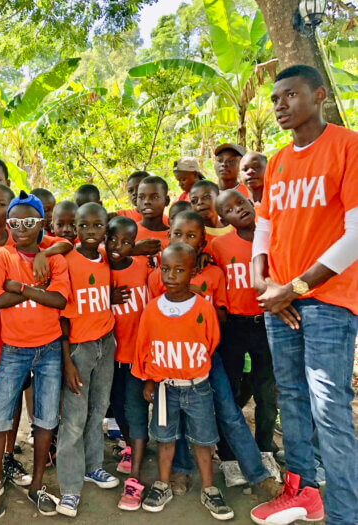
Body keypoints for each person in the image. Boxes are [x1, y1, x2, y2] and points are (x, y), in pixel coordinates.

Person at [251, 64, 358, 525]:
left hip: (328, 302)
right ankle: (302, 494)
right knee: (291, 397)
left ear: (318, 96)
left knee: (329, 407)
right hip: (280, 300)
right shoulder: (276, 162)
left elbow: (355, 234)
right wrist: (263, 282)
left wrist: (294, 288)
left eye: (289, 96)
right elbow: (264, 227)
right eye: (275, 99)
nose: (279, 106)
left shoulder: (348, 146)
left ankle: (344, 514)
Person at [150, 212, 280, 499]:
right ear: (168, 236)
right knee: (179, 417)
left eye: (191, 235)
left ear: (203, 242)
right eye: (177, 234)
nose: (183, 240)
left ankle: (258, 476)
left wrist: (195, 301)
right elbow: (156, 318)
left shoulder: (214, 273)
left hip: (209, 357)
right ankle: (181, 470)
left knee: (230, 412)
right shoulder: (159, 276)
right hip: (172, 360)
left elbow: (222, 316)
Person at [0, 191, 69, 524]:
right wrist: (35, 288)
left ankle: (37, 485)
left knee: (44, 422)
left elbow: (59, 301)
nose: (20, 228)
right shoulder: (1, 255)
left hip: (51, 349)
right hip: (13, 350)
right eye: (14, 222)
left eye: (29, 222)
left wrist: (22, 287)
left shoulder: (53, 256)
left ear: (41, 223)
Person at [134, 243, 233, 521]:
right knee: (165, 438)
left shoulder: (203, 307)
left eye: (180, 270)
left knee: (203, 440)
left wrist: (191, 367)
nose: (171, 275)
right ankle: (163, 484)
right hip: (165, 388)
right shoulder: (153, 309)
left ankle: (209, 488)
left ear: (192, 273)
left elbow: (211, 341)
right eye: (166, 269)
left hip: (197, 387)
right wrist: (150, 381)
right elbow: (145, 346)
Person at [56, 203, 118, 517]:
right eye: (84, 226)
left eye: (97, 226)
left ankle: (93, 466)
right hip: (78, 348)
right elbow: (62, 319)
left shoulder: (108, 257)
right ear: (76, 229)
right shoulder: (66, 261)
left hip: (105, 343)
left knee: (98, 410)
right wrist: (67, 361)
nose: (91, 233)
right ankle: (69, 487)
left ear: (105, 228)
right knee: (73, 420)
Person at [212, 190, 277, 457]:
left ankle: (265, 449)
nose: (238, 209)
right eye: (229, 209)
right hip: (235, 327)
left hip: (268, 324)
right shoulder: (219, 246)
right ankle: (228, 452)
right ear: (223, 218)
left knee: (266, 392)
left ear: (252, 203)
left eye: (241, 202)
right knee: (232, 390)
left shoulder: (274, 238)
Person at [104, 216, 151, 512]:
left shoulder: (143, 267)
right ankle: (132, 447)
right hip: (111, 353)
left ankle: (135, 474)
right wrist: (107, 295)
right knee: (116, 404)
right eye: (113, 240)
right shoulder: (102, 270)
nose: (118, 247)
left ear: (134, 246)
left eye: (126, 243)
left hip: (138, 353)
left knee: (135, 407)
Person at [135, 175, 170, 262]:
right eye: (141, 197)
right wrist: (133, 250)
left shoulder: (176, 236)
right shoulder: (129, 233)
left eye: (154, 197)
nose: (146, 202)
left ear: (166, 201)